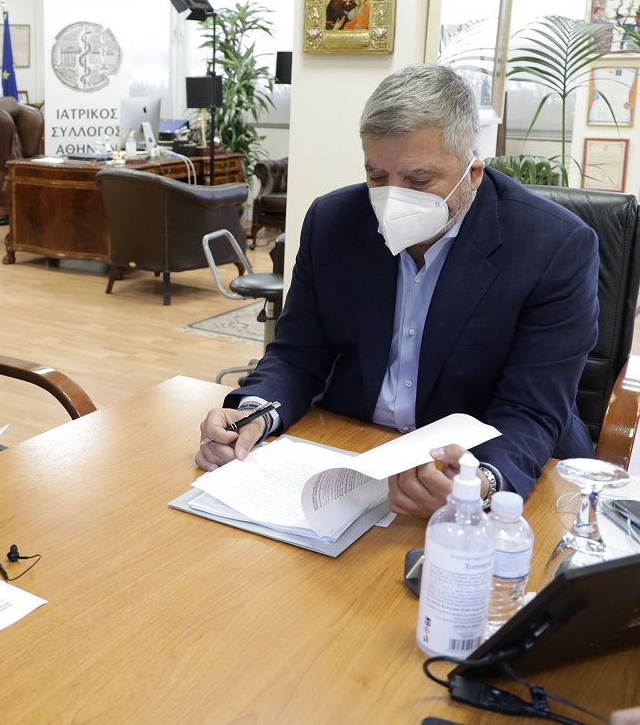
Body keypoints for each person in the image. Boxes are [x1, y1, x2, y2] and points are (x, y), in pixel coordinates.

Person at [195, 65, 597, 517]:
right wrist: (254, 413)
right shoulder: (333, 221)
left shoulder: (554, 246)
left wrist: (479, 484)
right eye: (377, 177)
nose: (393, 198)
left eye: (419, 181)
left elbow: (531, 408)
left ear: (473, 173)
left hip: (481, 466)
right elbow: (295, 354)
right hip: (352, 452)